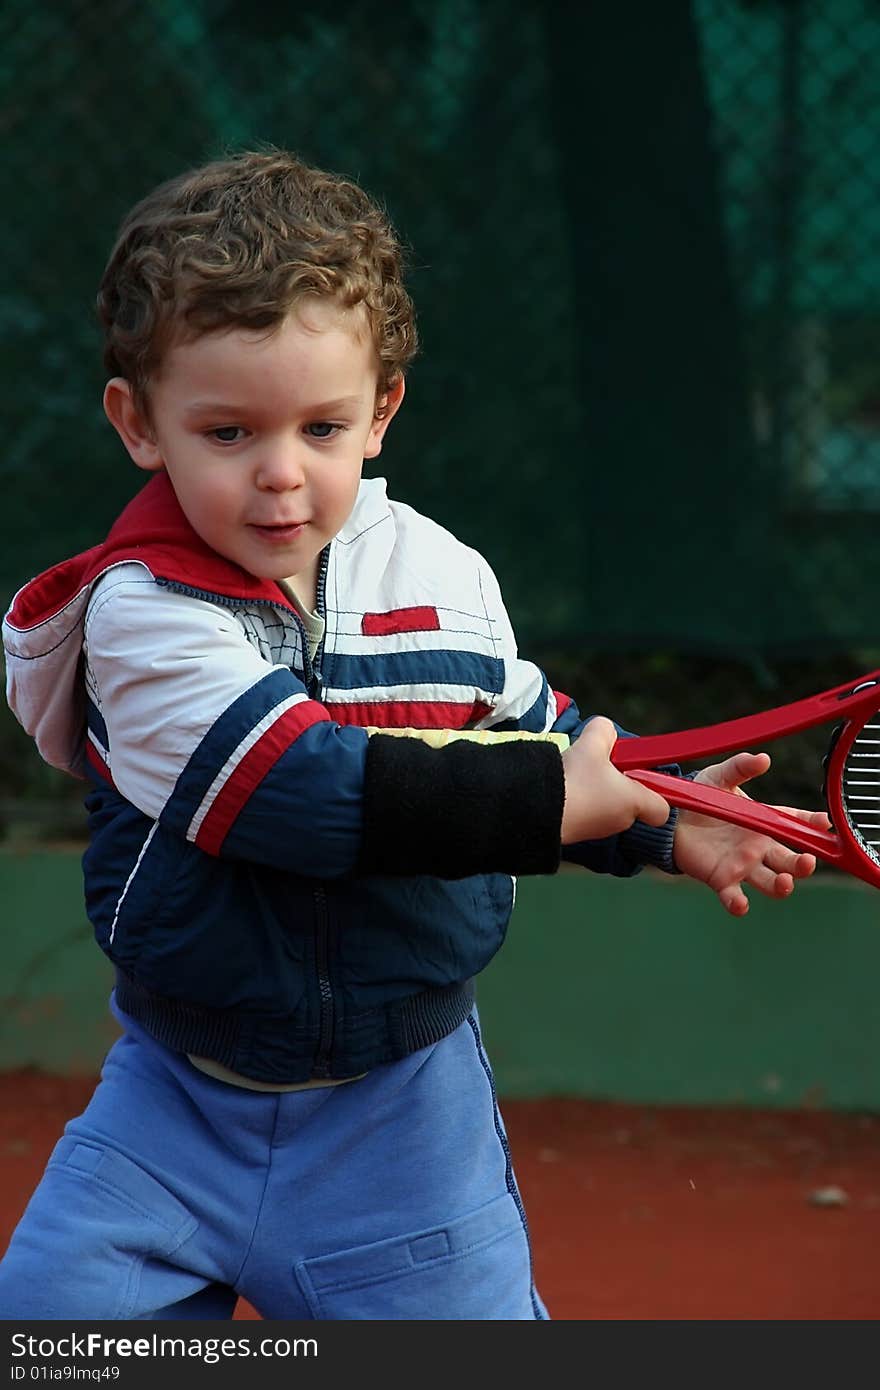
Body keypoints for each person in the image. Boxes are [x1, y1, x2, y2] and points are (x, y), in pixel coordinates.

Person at [0, 149, 826, 1321]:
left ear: (381, 410)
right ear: (141, 425)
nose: (281, 476)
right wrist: (551, 808)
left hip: (406, 1122)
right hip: (170, 1112)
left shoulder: (440, 574)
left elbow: (529, 728)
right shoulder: (138, 612)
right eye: (227, 432)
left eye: (322, 426)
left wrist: (665, 816)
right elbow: (296, 788)